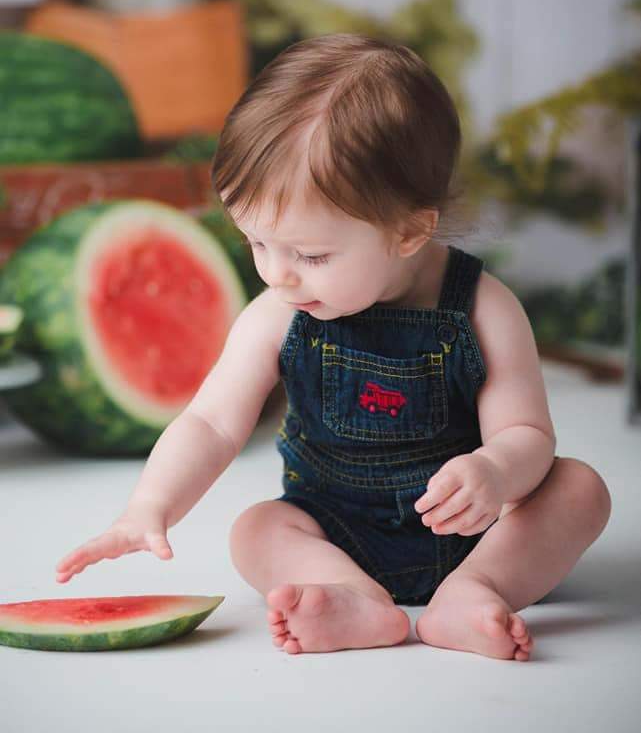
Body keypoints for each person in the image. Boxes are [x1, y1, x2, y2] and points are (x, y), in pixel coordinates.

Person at [55, 33, 612, 660]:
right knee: (257, 529)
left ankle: (474, 591)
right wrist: (147, 506)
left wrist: (493, 470)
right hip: (332, 528)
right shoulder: (277, 315)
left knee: (579, 490)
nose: (277, 274)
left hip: (477, 532)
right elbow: (210, 422)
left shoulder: (485, 308)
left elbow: (529, 437)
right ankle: (351, 597)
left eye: (311, 254)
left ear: (408, 230)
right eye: (256, 243)